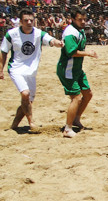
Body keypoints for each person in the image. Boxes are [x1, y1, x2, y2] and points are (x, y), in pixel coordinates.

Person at [0, 9, 64, 130]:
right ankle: (31, 123)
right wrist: (1, 70)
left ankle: (14, 125)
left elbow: (51, 40)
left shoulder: (39, 33)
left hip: (31, 71)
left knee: (28, 100)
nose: (29, 22)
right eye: (26, 20)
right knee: (25, 93)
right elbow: (3, 52)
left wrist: (58, 43)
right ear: (20, 22)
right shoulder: (11, 34)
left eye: (31, 20)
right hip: (16, 69)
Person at [57, 7, 98, 138]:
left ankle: (76, 118)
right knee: (76, 98)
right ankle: (67, 129)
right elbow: (71, 52)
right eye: (80, 19)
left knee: (88, 94)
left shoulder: (79, 31)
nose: (83, 22)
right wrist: (88, 53)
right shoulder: (70, 32)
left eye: (84, 19)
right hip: (68, 69)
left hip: (77, 69)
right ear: (73, 19)